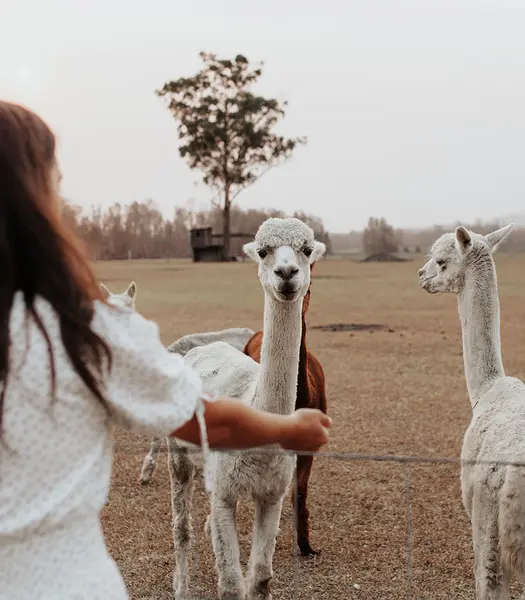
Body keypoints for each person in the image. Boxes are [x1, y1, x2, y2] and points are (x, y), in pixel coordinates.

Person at [0, 101, 331, 600]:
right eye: (57, 181)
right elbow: (204, 421)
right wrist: (289, 427)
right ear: (39, 198)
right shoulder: (88, 327)